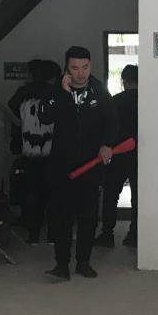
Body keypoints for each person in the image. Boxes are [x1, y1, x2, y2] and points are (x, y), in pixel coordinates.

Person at [41, 45, 117, 280]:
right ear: (67, 68)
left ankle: (83, 262)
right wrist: (63, 94)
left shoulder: (99, 90)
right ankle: (61, 265)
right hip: (62, 164)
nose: (80, 73)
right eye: (74, 68)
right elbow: (45, 116)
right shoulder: (56, 90)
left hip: (91, 164)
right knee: (62, 216)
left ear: (90, 66)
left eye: (85, 67)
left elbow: (111, 120)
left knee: (88, 216)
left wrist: (107, 144)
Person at [7, 59, 59, 245]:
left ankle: (33, 235)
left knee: (32, 191)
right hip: (53, 152)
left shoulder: (22, 93)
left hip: (29, 150)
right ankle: (53, 235)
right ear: (54, 77)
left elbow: (12, 114)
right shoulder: (58, 93)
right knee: (54, 194)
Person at [97, 63, 138, 248]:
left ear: (124, 81)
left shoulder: (115, 101)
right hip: (139, 155)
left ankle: (107, 234)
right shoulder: (147, 102)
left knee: (111, 195)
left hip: (117, 154)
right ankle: (134, 235)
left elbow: (105, 127)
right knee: (138, 196)